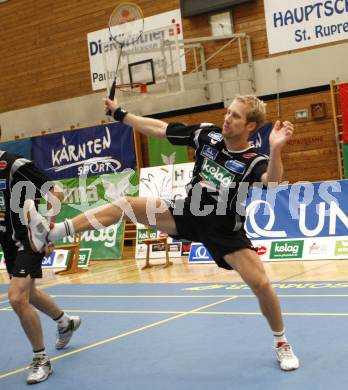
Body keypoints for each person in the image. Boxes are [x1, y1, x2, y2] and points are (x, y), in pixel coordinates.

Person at [24, 94, 299, 371]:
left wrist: (276, 149)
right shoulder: (207, 135)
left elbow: (272, 184)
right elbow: (159, 129)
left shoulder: (254, 160)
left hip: (224, 229)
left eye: (236, 116)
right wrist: (121, 114)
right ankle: (54, 232)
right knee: (126, 205)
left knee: (262, 285)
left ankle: (281, 342)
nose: (227, 118)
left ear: (250, 126)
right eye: (228, 112)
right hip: (187, 213)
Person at [0, 150, 81, 384]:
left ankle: (41, 358)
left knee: (16, 298)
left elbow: (55, 191)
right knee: (30, 293)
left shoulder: (14, 164)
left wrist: (48, 227)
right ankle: (66, 322)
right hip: (9, 242)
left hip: (30, 241)